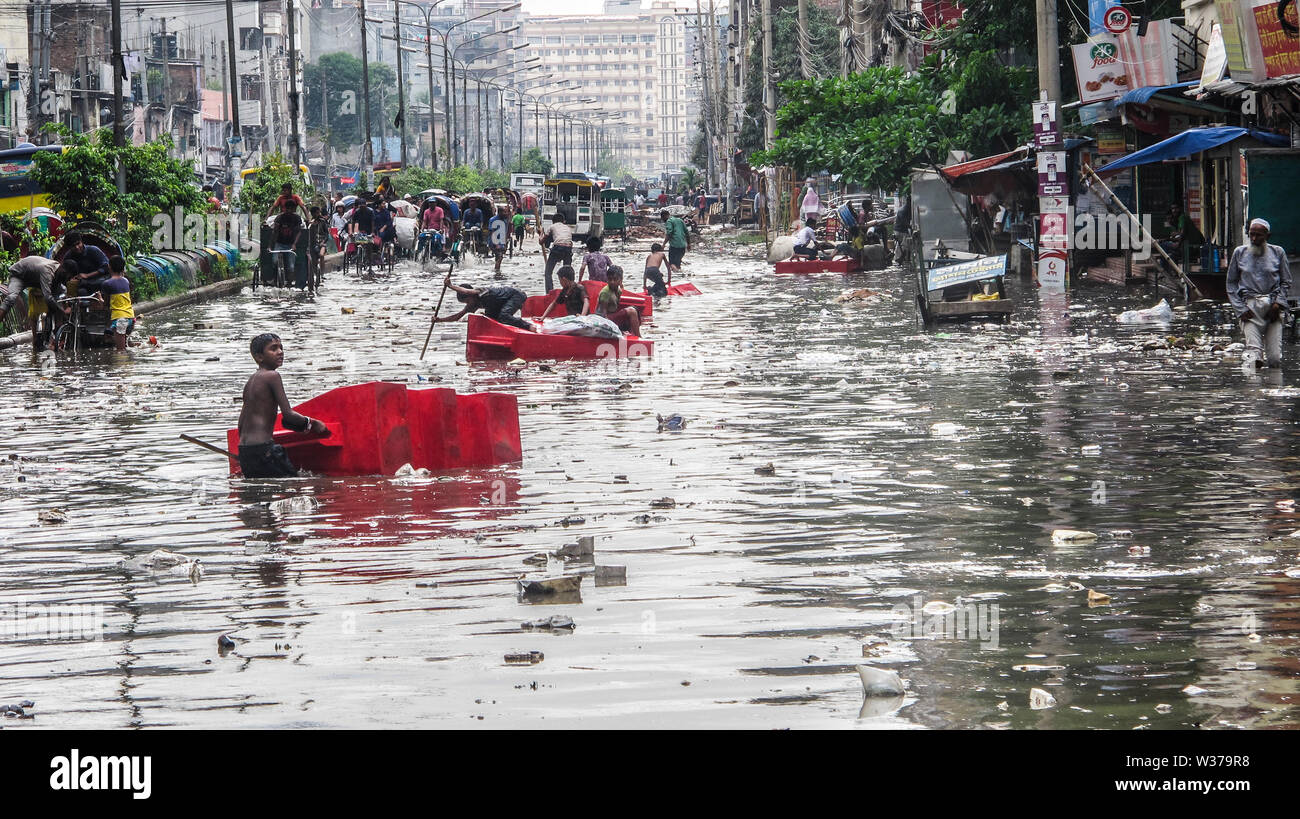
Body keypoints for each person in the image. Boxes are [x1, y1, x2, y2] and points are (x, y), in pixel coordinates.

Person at [237, 333, 330, 479]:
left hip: (245, 451)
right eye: (273, 349)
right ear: (259, 357)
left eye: (281, 347)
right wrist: (313, 423)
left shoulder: (251, 382)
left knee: (259, 498)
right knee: (293, 488)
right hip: (264, 450)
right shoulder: (272, 376)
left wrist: (245, 453)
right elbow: (288, 415)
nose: (280, 352)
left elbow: (241, 422)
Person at [1227, 217, 1292, 369]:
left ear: (1267, 236)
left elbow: (1286, 281)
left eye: (1258, 235)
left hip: (1273, 308)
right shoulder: (1239, 252)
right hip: (1249, 308)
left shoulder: (1278, 252)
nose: (1254, 238)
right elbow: (1231, 283)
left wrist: (1278, 304)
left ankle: (1272, 389)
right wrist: (1240, 309)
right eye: (1251, 234)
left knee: (1275, 359)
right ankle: (1254, 392)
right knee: (1255, 356)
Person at [435, 275, 532, 330]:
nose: (468, 304)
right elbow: (457, 316)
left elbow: (466, 291)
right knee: (488, 320)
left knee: (504, 316)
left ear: (471, 296)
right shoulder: (472, 306)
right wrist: (439, 320)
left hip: (515, 296)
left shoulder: (480, 292)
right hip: (498, 305)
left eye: (468, 301)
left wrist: (451, 286)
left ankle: (528, 326)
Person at [94, 256, 134, 350]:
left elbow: (106, 305)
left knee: (121, 351)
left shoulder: (107, 283)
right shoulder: (126, 281)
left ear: (109, 267)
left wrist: (99, 298)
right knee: (126, 346)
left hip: (120, 319)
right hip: (130, 317)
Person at [595, 266, 641, 336]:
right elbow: (603, 315)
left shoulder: (618, 291)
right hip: (603, 320)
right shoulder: (605, 292)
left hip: (611, 318)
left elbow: (615, 308)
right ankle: (638, 336)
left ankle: (633, 334)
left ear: (621, 280)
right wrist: (617, 331)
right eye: (610, 279)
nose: (612, 282)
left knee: (635, 309)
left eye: (615, 279)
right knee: (631, 311)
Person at [1158, 202, 1203, 270]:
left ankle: (1162, 270)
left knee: (1162, 245)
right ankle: (1174, 272)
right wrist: (1170, 239)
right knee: (1171, 254)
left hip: (1191, 248)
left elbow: (1182, 235)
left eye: (1176, 208)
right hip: (1191, 247)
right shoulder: (1181, 221)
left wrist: (1172, 242)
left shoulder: (1182, 218)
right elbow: (1181, 235)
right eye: (1172, 209)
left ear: (1180, 209)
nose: (1174, 210)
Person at [271, 201, 304, 285]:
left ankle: (289, 283)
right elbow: (275, 231)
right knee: (274, 261)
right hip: (279, 243)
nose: (289, 210)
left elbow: (299, 232)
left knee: (291, 267)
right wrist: (270, 245)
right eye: (287, 208)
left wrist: (294, 244)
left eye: (291, 208)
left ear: (294, 209)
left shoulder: (297, 218)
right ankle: (275, 279)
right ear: (285, 208)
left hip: (290, 244)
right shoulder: (279, 218)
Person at [540, 212, 574, 292]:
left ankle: (549, 292)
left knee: (548, 272)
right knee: (567, 272)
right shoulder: (568, 228)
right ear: (564, 221)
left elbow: (541, 242)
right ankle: (569, 290)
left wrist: (541, 233)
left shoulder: (552, 226)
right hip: (568, 248)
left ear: (553, 221)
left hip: (558, 248)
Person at [661, 209, 690, 277]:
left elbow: (669, 233)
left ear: (664, 216)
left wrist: (664, 244)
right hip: (682, 246)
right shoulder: (680, 220)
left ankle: (676, 277)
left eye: (662, 218)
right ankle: (680, 277)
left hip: (674, 246)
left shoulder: (669, 221)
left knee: (672, 264)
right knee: (678, 264)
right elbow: (687, 232)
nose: (663, 220)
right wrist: (689, 244)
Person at [488, 206, 509, 276]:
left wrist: (505, 242)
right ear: (499, 212)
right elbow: (492, 232)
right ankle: (497, 273)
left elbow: (505, 232)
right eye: (504, 212)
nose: (506, 213)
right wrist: (496, 244)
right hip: (494, 242)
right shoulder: (493, 220)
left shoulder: (505, 220)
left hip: (502, 242)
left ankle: (497, 271)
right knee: (499, 257)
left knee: (499, 258)